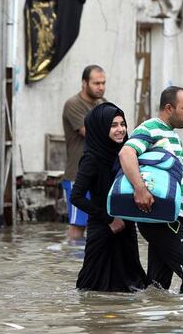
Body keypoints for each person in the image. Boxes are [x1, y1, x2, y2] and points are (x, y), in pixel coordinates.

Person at [117, 86, 183, 294]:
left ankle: (157, 322)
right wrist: (140, 189)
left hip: (168, 217)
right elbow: (126, 153)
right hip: (161, 218)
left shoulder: (171, 136)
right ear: (169, 108)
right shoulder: (150, 128)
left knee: (157, 286)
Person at [71, 102, 148, 292]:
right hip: (103, 228)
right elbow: (76, 196)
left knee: (132, 285)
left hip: (126, 227)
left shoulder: (126, 155)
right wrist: (109, 219)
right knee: (92, 287)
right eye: (114, 125)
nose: (120, 129)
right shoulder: (91, 159)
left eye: (122, 124)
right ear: (100, 128)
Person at [62, 65, 106, 240]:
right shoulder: (73, 104)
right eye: (96, 83)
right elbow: (90, 133)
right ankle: (73, 264)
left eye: (103, 83)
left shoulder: (103, 103)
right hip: (78, 175)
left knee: (101, 224)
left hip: (99, 176)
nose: (101, 87)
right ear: (84, 83)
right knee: (77, 226)